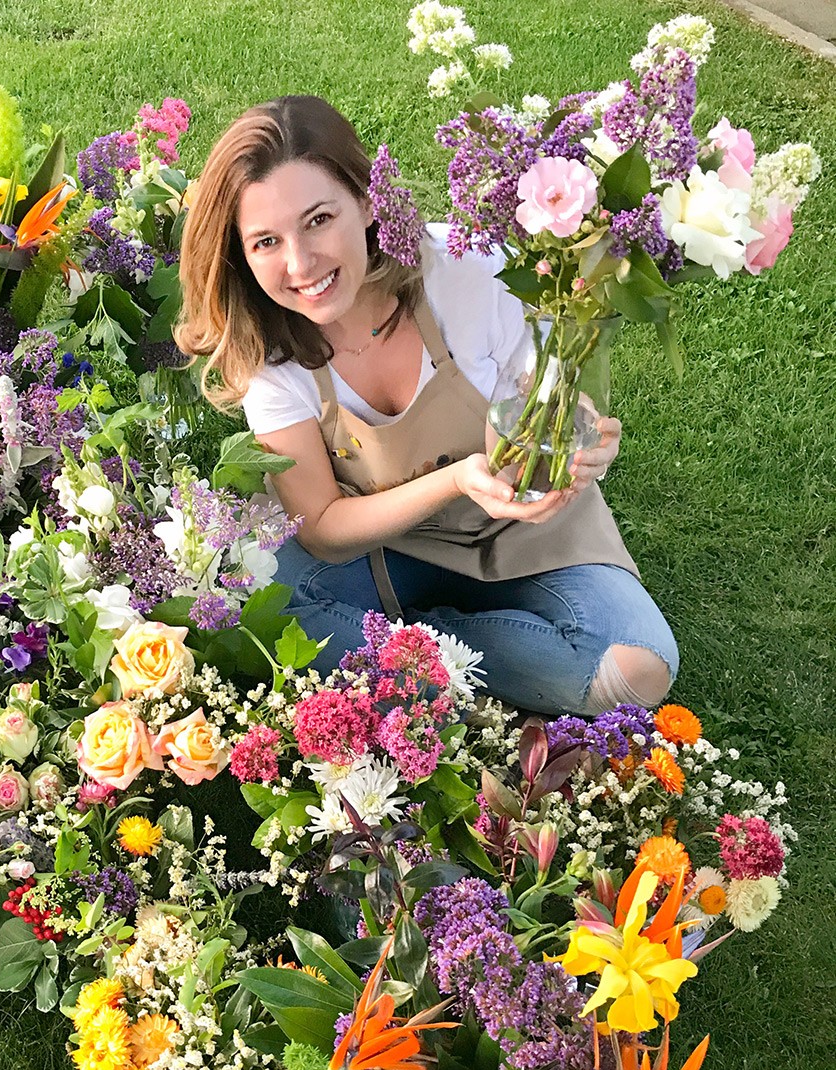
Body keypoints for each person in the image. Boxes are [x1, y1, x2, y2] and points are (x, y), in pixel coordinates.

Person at [174, 95, 678, 716]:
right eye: (266, 241)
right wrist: (459, 478)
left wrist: (584, 437)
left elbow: (552, 403)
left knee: (638, 670)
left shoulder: (470, 271)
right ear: (242, 256)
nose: (300, 264)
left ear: (365, 203)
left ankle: (406, 655)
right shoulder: (269, 352)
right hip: (385, 551)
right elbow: (326, 529)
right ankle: (457, 653)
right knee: (252, 607)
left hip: (529, 532)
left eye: (318, 219)